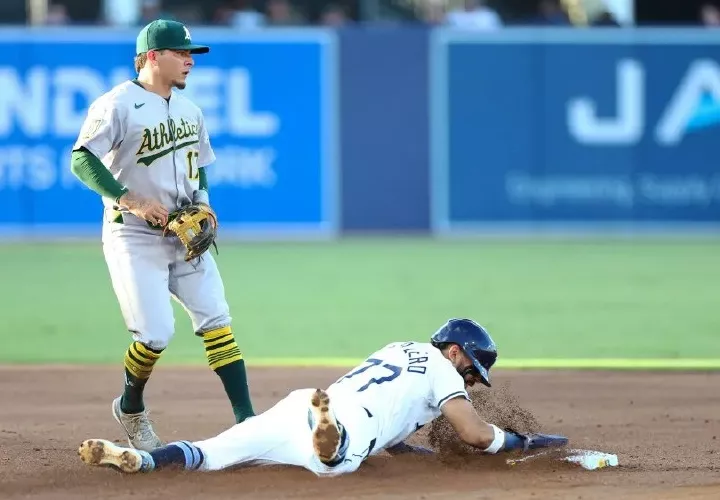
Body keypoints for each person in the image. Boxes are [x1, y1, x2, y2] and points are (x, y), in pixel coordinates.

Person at [70, 19, 255, 452]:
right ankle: (130, 406)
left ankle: (248, 421)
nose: (190, 60)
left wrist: (204, 201)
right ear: (153, 56)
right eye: (182, 53)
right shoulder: (117, 104)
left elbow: (200, 164)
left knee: (217, 320)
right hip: (134, 235)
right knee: (155, 334)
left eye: (191, 54)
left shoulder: (190, 110)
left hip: (185, 234)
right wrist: (127, 198)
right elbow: (81, 159)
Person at [77, 319, 568, 475]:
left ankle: (142, 460)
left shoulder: (398, 347)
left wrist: (417, 452)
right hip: (349, 421)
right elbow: (476, 434)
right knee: (334, 465)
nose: (472, 381)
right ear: (455, 351)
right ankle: (330, 439)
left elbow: (397, 432)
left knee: (213, 453)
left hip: (307, 402)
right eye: (472, 370)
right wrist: (522, 441)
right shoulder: (443, 371)